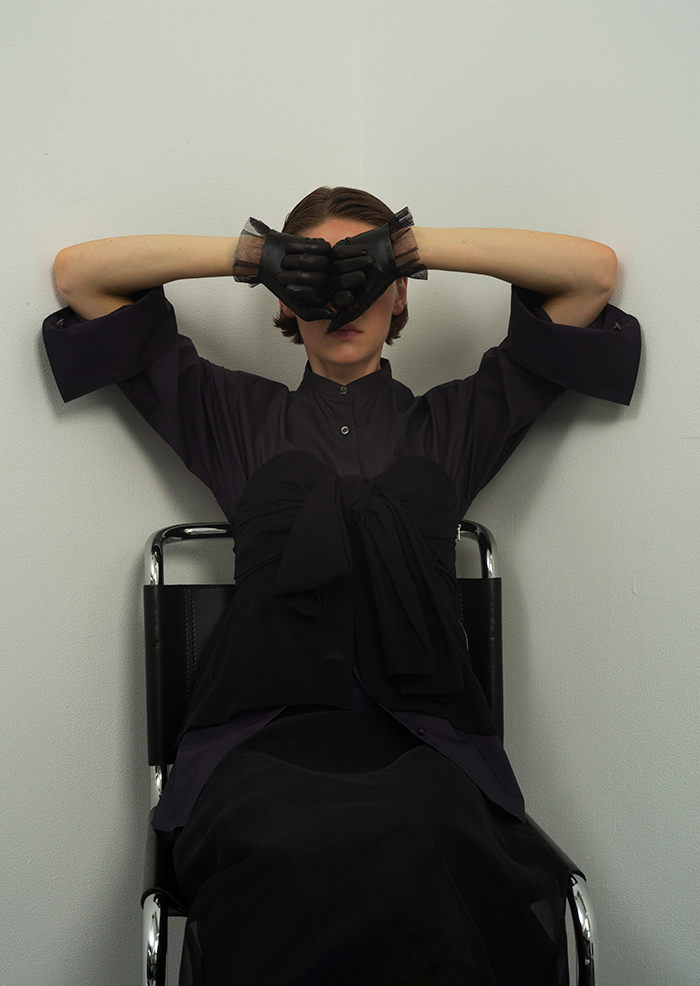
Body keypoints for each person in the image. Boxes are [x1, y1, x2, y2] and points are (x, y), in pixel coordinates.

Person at [43, 186, 641, 986]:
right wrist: (253, 256)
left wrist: (408, 250)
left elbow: (590, 277)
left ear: (400, 297)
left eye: (364, 278)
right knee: (287, 848)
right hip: (261, 746)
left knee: (426, 836)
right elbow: (80, 279)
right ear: (285, 302)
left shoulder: (452, 427)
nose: (342, 301)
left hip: (422, 744)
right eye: (316, 280)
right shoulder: (234, 418)